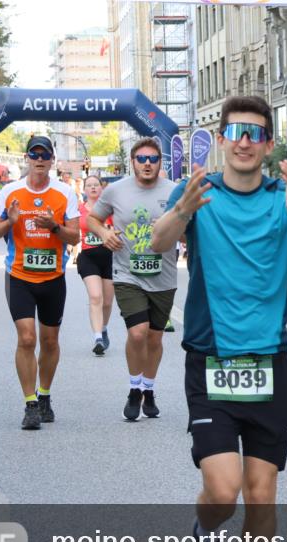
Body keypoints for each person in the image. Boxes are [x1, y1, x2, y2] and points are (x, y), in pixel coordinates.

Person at [150, 95, 287, 542]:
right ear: (223, 139)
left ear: (269, 143)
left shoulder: (284, 196)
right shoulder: (199, 193)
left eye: (256, 133)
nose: (245, 142)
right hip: (210, 357)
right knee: (223, 490)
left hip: (268, 362)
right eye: (236, 132)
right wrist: (182, 211)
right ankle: (205, 535)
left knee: (261, 494)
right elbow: (157, 244)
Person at [0, 136, 80, 430]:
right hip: (19, 276)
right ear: (27, 158)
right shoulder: (10, 191)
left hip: (53, 278)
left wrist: (53, 226)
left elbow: (75, 236)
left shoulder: (65, 192)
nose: (39, 160)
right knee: (27, 338)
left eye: (45, 155)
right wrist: (10, 221)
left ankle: (45, 395)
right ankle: (30, 404)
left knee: (50, 341)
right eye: (34, 154)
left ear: (52, 160)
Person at [86, 138, 177, 420]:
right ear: (132, 162)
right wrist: (104, 234)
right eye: (142, 159)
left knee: (155, 338)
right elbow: (92, 219)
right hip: (127, 274)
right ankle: (134, 388)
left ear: (160, 162)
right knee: (138, 332)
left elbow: (189, 232)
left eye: (153, 159)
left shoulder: (174, 191)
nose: (147, 164)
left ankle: (149, 389)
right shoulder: (116, 190)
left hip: (163, 275)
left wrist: (171, 228)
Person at [76, 175, 115, 356]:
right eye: (89, 185)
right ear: (84, 189)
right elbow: (71, 228)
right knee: (95, 296)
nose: (93, 188)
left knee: (107, 302)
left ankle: (104, 328)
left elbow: (120, 229)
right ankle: (98, 338)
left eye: (96, 185)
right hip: (88, 257)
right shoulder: (79, 209)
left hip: (109, 257)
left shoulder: (110, 209)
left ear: (101, 188)